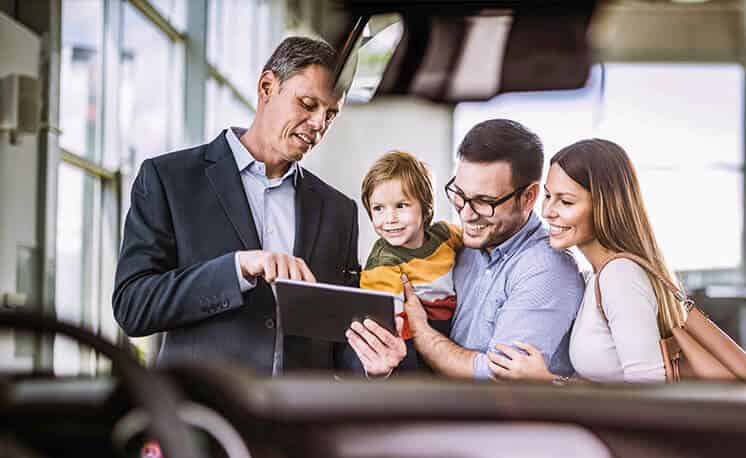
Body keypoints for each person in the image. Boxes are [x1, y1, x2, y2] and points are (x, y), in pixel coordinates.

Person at [113, 36, 402, 375]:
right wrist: (237, 268)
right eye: (308, 105)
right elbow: (133, 307)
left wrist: (372, 363)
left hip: (300, 421)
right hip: (203, 416)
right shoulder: (169, 180)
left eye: (331, 114)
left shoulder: (339, 210)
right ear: (267, 87)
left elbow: (339, 339)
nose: (319, 125)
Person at [349, 119, 584, 380]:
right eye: (459, 195)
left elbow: (497, 379)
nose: (467, 214)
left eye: (484, 202)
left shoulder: (545, 270)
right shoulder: (461, 244)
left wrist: (421, 331)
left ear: (528, 197)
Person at [485, 138, 687, 384]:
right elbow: (610, 384)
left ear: (604, 205)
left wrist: (547, 382)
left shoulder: (620, 276)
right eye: (548, 196)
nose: (548, 211)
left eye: (566, 201)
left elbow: (648, 392)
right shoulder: (598, 275)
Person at [359, 150, 463, 371]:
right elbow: (390, 328)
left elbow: (476, 243)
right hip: (409, 341)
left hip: (452, 328)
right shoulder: (383, 264)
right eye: (378, 209)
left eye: (401, 206)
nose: (390, 219)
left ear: (426, 207)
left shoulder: (445, 235)